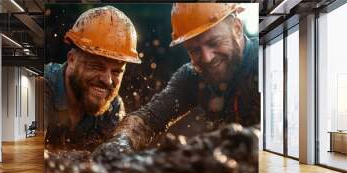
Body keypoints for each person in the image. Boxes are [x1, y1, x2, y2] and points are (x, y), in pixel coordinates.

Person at [92, 3, 260, 160]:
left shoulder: (266, 61)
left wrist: (211, 145)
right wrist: (120, 142)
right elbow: (149, 117)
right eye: (194, 50)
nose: (207, 58)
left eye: (214, 43)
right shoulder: (192, 76)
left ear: (237, 29)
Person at [44, 6, 141, 150]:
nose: (107, 80)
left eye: (116, 72)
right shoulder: (42, 88)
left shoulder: (113, 108)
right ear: (71, 59)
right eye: (97, 67)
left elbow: (115, 161)